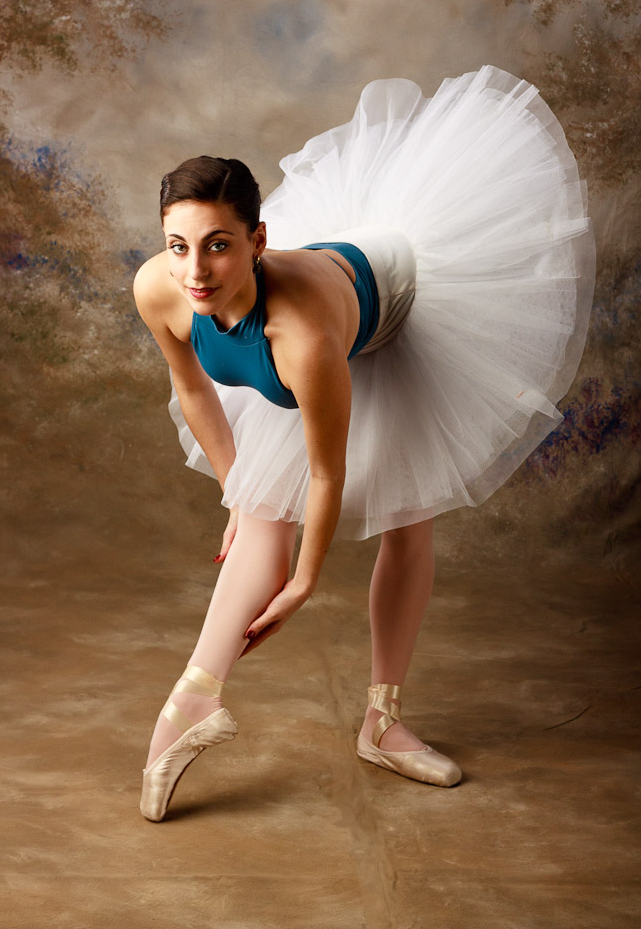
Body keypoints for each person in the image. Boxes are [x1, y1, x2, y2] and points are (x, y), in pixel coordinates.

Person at [133, 66, 595, 822]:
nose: (195, 271)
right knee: (256, 515)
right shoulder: (162, 289)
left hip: (399, 304)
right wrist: (233, 492)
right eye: (178, 246)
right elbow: (193, 391)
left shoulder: (303, 338)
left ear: (256, 241)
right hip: (329, 298)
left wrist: (305, 580)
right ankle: (190, 704)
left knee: (407, 518)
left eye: (216, 247)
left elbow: (326, 471)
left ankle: (382, 721)